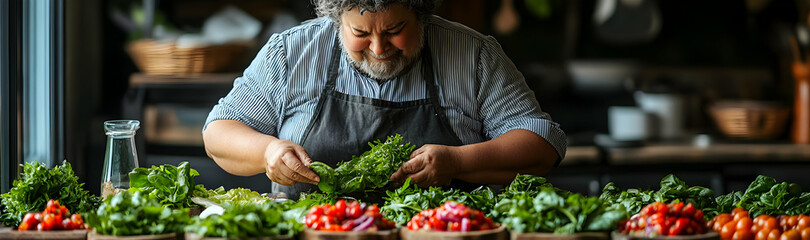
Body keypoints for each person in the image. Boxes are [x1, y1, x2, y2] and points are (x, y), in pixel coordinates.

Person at [202, 0, 567, 199]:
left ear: (421, 14)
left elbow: (542, 143)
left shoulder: (472, 55)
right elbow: (218, 133)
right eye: (360, 33)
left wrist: (457, 161)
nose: (379, 49)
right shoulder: (292, 52)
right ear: (335, 19)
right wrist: (268, 152)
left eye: (395, 30)